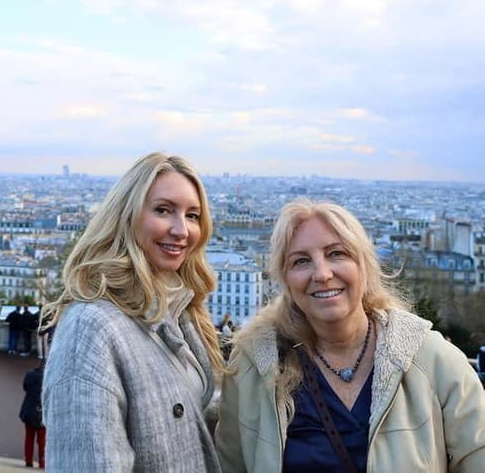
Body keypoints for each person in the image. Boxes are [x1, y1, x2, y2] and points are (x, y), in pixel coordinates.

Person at [216, 198, 485, 472]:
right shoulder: (253, 367)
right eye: (301, 261)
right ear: (285, 280)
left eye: (336, 254)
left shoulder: (434, 361)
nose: (322, 273)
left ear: (365, 266)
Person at [42, 152, 224, 472]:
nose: (182, 230)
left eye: (193, 215)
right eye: (163, 210)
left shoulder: (180, 310)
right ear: (126, 216)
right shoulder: (91, 328)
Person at [20, 361, 46, 469]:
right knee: (42, 441)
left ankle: (28, 461)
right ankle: (42, 463)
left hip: (29, 410)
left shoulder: (29, 374)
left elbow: (25, 387)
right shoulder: (47, 378)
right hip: (41, 412)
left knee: (29, 438)